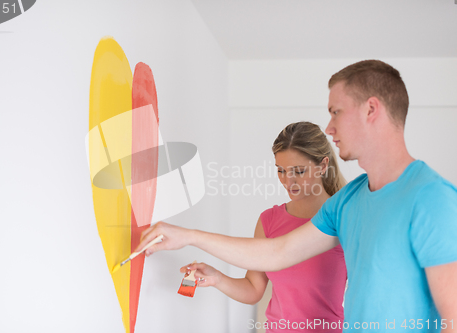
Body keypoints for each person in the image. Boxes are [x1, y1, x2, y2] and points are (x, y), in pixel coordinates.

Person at [138, 60, 457, 332]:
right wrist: (189, 236)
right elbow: (277, 253)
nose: (329, 128)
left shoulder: (433, 199)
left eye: (336, 112)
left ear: (371, 109)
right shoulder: (348, 202)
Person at [180, 122, 347, 332]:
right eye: (281, 170)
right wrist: (216, 278)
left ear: (323, 165)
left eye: (299, 171)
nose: (288, 181)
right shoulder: (269, 220)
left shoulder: (343, 218)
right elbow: (253, 289)